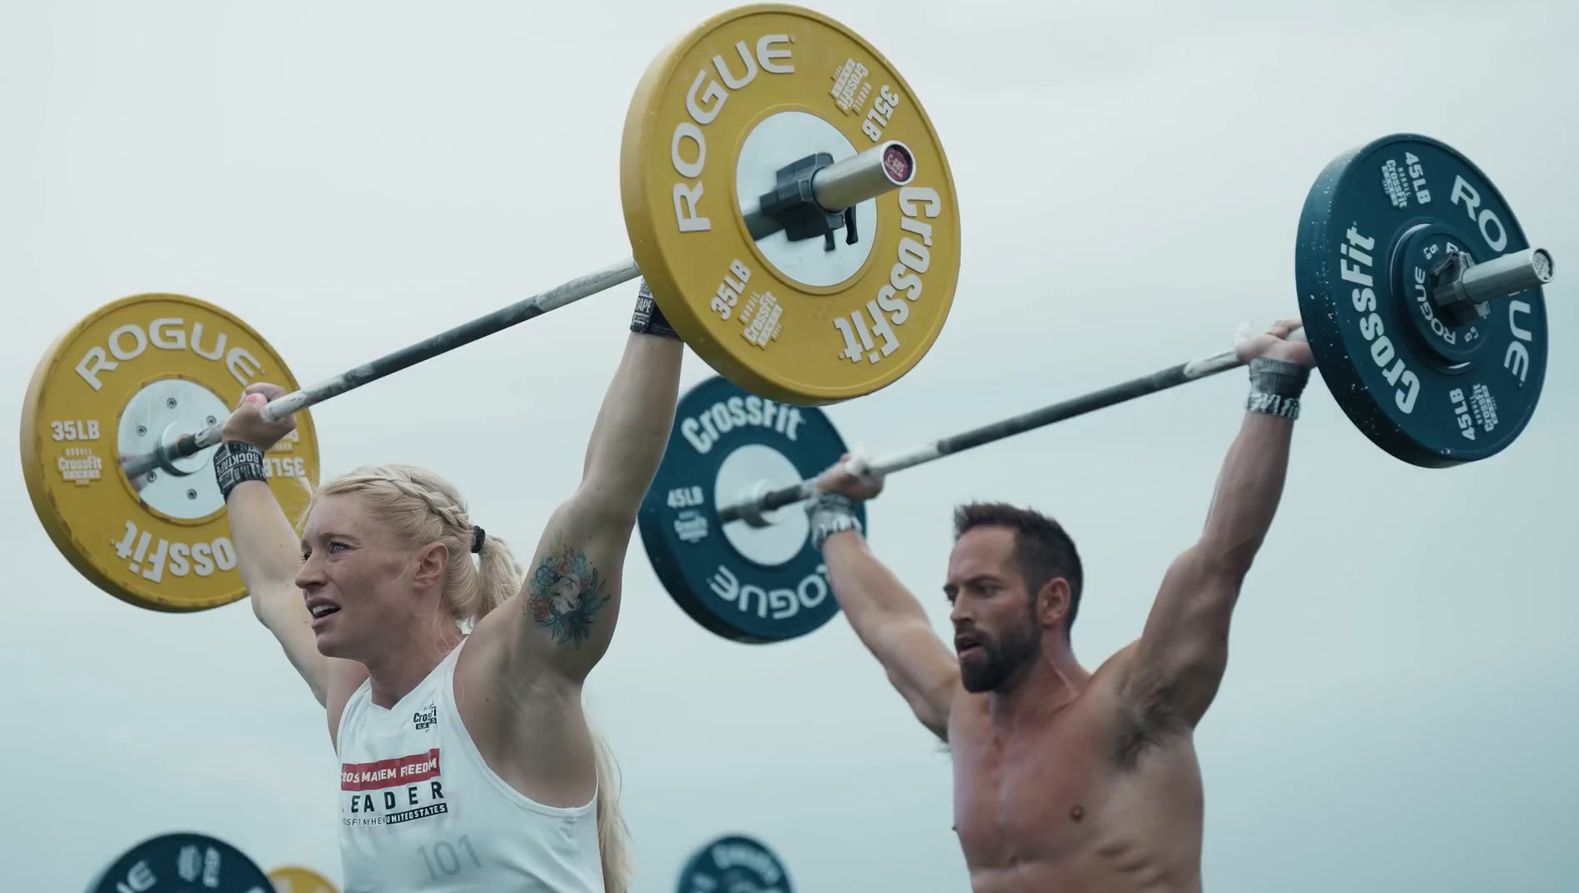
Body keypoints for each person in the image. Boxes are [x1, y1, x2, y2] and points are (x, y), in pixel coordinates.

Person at [804, 319, 1314, 892]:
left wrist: (1275, 383)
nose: (957, 611)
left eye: (984, 589)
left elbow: (1218, 561)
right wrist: (831, 514)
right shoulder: (963, 716)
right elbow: (886, 620)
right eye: (953, 594)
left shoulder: (1132, 708)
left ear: (1052, 602)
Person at [212, 284, 684, 893]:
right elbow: (274, 585)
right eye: (309, 550)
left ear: (427, 566)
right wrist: (238, 455)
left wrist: (665, 300)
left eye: (337, 548)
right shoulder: (354, 703)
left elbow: (606, 497)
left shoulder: (507, 674)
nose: (308, 573)